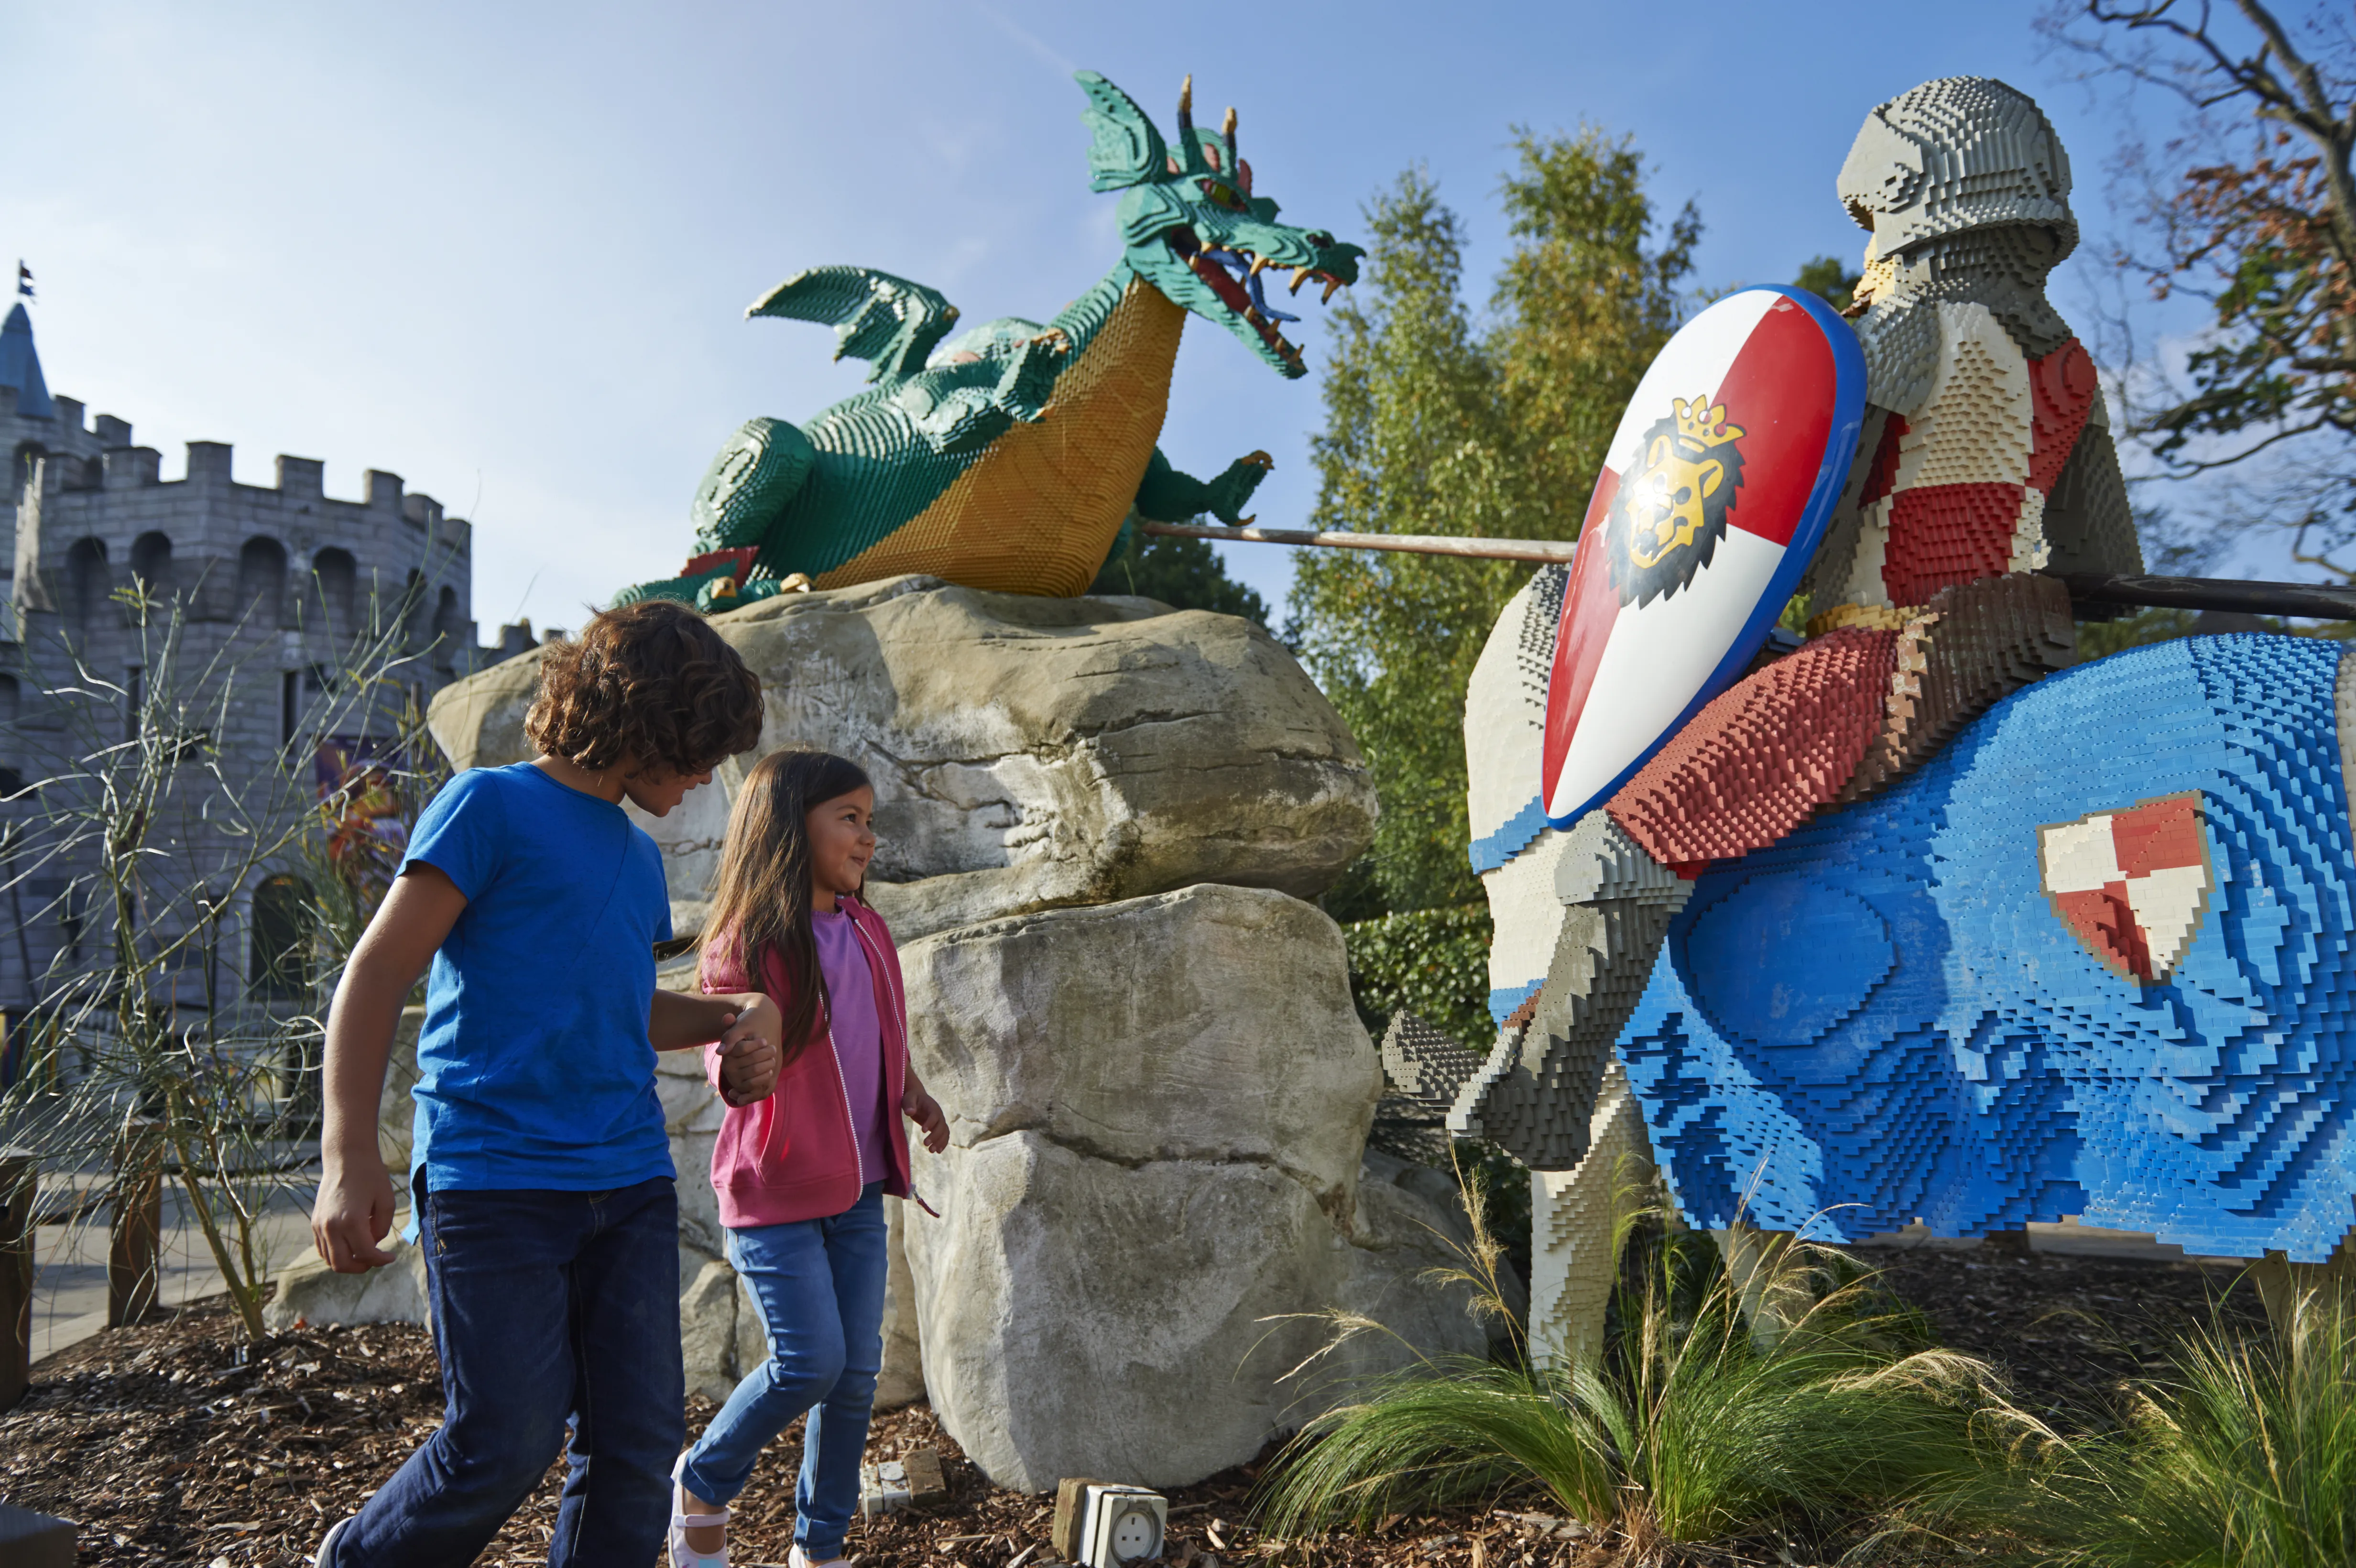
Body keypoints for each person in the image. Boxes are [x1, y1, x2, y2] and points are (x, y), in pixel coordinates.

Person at [307, 599, 779, 1568]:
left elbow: (628, 1006)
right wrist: (348, 1151)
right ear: (652, 721)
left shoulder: (638, 857)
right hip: (495, 1180)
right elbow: (377, 970)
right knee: (506, 1438)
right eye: (699, 750)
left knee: (638, 1444)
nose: (703, 776)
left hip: (629, 1185)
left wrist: (734, 1013)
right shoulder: (489, 804)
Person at [668, 749, 951, 1568]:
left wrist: (912, 1091)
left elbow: (880, 1032)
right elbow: (721, 1044)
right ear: (793, 827)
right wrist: (736, 1068)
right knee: (810, 1362)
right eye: (850, 819)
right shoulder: (749, 939)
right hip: (775, 1195)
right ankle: (703, 1476)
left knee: (856, 1377)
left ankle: (818, 1548)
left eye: (871, 820)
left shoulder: (869, 926)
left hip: (858, 1190)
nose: (868, 837)